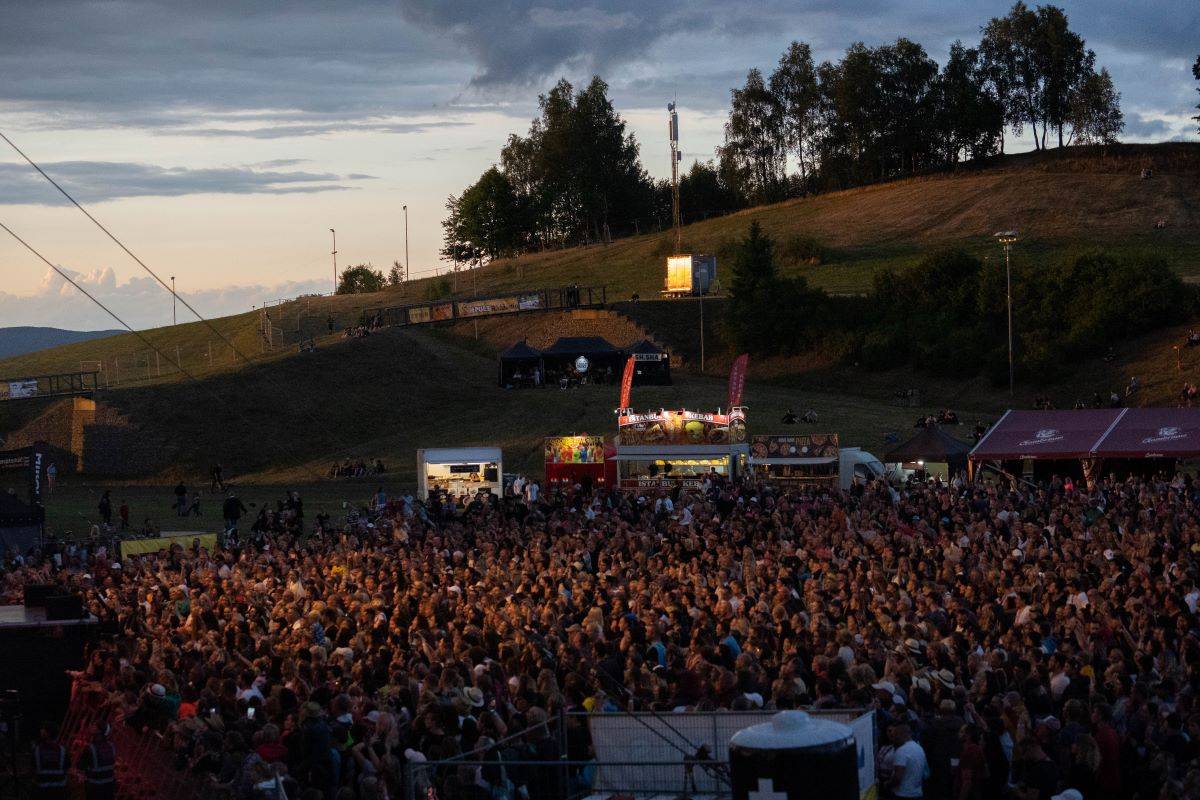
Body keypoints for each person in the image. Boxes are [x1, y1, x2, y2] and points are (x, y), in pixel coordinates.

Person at [77, 724, 117, 800]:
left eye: (94, 725)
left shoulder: (90, 748)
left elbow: (81, 766)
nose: (91, 726)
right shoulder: (111, 746)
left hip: (95, 787)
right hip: (109, 786)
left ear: (99, 731)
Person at [890, 723, 928, 800]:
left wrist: (888, 784)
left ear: (900, 735)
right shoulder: (919, 748)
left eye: (895, 735)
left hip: (903, 794)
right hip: (917, 792)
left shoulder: (902, 751)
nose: (893, 738)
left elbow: (898, 776)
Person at [32, 723, 67, 800]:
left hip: (42, 791)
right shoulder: (63, 750)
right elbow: (67, 766)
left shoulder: (37, 750)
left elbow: (33, 767)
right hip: (59, 790)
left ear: (46, 733)